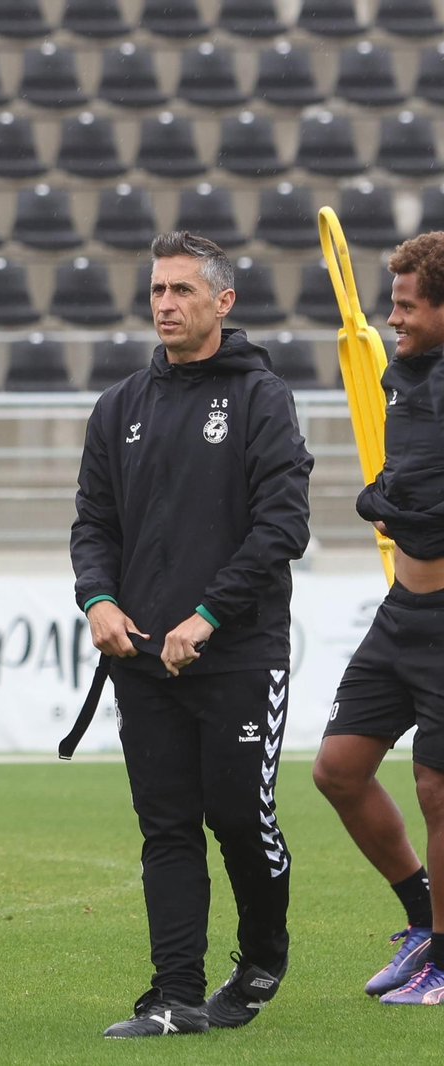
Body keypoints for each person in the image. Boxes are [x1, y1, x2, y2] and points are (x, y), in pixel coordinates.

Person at [71, 231, 314, 1037]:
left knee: (241, 818)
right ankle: (176, 996)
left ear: (222, 301)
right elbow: (93, 524)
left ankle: (263, 956)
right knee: (167, 827)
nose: (166, 305)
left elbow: (284, 525)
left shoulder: (260, 398)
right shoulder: (119, 408)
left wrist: (207, 616)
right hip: (142, 661)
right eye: (157, 291)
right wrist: (100, 600)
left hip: (238, 654)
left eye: (181, 290)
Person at [313, 232, 444, 1006]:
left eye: (407, 306)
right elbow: (405, 480)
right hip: (402, 609)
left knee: (436, 789)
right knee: (338, 769)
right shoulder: (400, 376)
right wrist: (386, 493)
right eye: (390, 304)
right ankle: (421, 923)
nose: (392, 318)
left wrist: (410, 505)